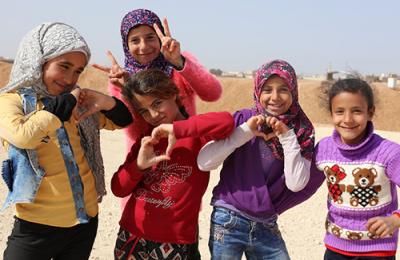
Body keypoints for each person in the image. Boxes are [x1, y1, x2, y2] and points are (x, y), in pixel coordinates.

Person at [0, 22, 132, 260]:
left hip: (84, 222)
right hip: (36, 227)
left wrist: (105, 101)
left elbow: (122, 121)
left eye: (78, 71)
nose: (71, 78)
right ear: (39, 60)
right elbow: (24, 136)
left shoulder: (76, 103)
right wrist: (68, 102)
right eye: (64, 66)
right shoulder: (12, 102)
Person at [197, 59, 324, 259]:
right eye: (267, 90)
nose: (275, 97)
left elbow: (296, 184)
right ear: (257, 91)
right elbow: (204, 162)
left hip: (266, 223)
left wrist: (287, 136)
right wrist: (245, 132)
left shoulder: (302, 131)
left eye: (283, 89)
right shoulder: (243, 119)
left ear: (294, 92)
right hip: (228, 218)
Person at [111, 68, 234, 259]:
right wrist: (138, 166)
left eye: (157, 103)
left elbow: (227, 122)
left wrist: (178, 129)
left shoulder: (197, 134)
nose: (153, 115)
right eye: (144, 111)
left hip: (176, 241)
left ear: (174, 94)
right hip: (131, 235)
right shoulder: (146, 140)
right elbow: (118, 188)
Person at [94, 8, 223, 153]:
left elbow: (213, 94)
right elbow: (133, 132)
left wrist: (179, 62)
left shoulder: (178, 64)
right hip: (144, 159)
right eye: (135, 40)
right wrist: (127, 90)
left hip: (186, 151)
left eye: (150, 37)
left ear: (159, 38)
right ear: (126, 45)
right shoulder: (120, 78)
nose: (144, 46)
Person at [314, 78, 400, 260]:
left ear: (370, 112)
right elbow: (301, 186)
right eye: (339, 112)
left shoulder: (389, 153)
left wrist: (395, 219)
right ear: (331, 113)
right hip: (335, 248)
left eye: (357, 111)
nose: (347, 119)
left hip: (378, 251)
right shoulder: (323, 149)